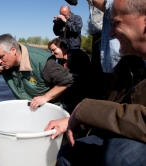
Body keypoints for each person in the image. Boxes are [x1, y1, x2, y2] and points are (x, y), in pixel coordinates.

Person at [45, 0, 146, 165]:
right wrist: (75, 119)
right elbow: (113, 103)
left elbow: (76, 29)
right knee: (67, 154)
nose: (110, 33)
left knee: (119, 155)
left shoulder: (75, 21)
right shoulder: (127, 64)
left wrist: (86, 110)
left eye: (116, 23)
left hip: (131, 140)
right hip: (124, 127)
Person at [0, 34, 74, 110]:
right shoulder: (3, 61)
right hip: (28, 107)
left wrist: (45, 97)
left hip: (50, 108)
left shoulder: (42, 61)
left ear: (13, 50)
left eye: (1, 56)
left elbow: (68, 79)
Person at [48, 38, 97, 113]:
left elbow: (81, 78)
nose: (52, 53)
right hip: (68, 96)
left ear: (63, 47)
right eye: (51, 51)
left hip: (83, 96)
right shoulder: (58, 61)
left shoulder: (78, 55)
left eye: (54, 50)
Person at [87, 0, 122, 99]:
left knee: (114, 84)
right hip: (99, 37)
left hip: (113, 41)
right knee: (97, 78)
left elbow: (117, 9)